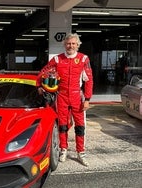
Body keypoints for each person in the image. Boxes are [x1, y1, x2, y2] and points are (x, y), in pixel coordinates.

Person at [37, 33, 93, 166]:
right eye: (68, 43)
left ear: (77, 45)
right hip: (61, 96)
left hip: (76, 97)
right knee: (62, 125)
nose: (71, 46)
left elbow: (89, 80)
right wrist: (39, 84)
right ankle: (63, 149)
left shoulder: (84, 59)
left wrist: (87, 99)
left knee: (80, 126)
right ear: (64, 44)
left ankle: (81, 152)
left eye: (73, 43)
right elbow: (44, 72)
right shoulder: (57, 59)